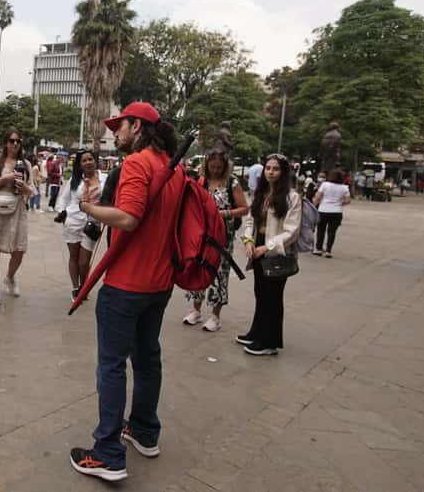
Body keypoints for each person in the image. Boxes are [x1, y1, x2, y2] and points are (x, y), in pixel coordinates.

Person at [69, 102, 182, 482]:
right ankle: (144, 431)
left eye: (120, 125)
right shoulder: (173, 167)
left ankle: (107, 453)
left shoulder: (138, 163)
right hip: (159, 283)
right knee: (147, 359)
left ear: (137, 126)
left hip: (126, 284)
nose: (115, 132)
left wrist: (88, 207)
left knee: (112, 366)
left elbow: (128, 218)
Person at [237, 153, 302, 357]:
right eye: (268, 168)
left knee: (272, 297)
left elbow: (292, 231)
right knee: (260, 293)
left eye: (276, 169)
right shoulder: (260, 193)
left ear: (283, 172)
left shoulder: (292, 197)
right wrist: (248, 240)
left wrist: (267, 247)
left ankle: (269, 342)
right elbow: (250, 221)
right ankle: (256, 332)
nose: (271, 172)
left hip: (276, 252)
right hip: (258, 247)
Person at [182, 147, 249, 332]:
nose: (215, 170)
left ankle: (215, 316)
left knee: (220, 272)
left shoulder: (232, 182)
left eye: (219, 167)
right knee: (198, 267)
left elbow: (244, 208)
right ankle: (196, 309)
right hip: (201, 235)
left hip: (222, 237)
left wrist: (224, 213)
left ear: (225, 166)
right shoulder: (201, 181)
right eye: (212, 167)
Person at [0, 130, 33, 305]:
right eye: (11, 140)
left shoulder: (26, 164)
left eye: (18, 141)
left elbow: (32, 190)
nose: (15, 143)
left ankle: (9, 277)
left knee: (19, 248)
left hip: (17, 208)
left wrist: (24, 187)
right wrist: (6, 178)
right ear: (5, 143)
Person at [56, 150, 107, 300]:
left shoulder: (105, 179)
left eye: (90, 159)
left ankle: (84, 287)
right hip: (73, 222)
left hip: (93, 224)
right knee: (74, 257)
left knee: (84, 261)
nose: (88, 162)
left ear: (95, 161)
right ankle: (75, 288)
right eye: (84, 161)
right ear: (80, 165)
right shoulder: (75, 180)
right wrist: (62, 213)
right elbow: (63, 199)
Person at [312, 169, 350, 258]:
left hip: (323, 210)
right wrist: (339, 204)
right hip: (337, 212)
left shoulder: (325, 185)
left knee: (321, 230)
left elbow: (318, 197)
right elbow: (348, 200)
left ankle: (318, 249)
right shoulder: (345, 187)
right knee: (332, 232)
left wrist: (314, 206)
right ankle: (328, 251)